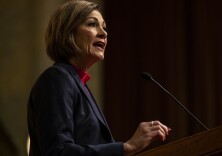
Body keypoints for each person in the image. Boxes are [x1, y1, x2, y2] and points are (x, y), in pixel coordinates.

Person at [27, 0, 171, 156]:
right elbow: (58, 152)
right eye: (92, 24)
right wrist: (126, 147)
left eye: (104, 27)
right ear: (68, 32)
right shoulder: (56, 79)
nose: (104, 33)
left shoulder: (78, 83)